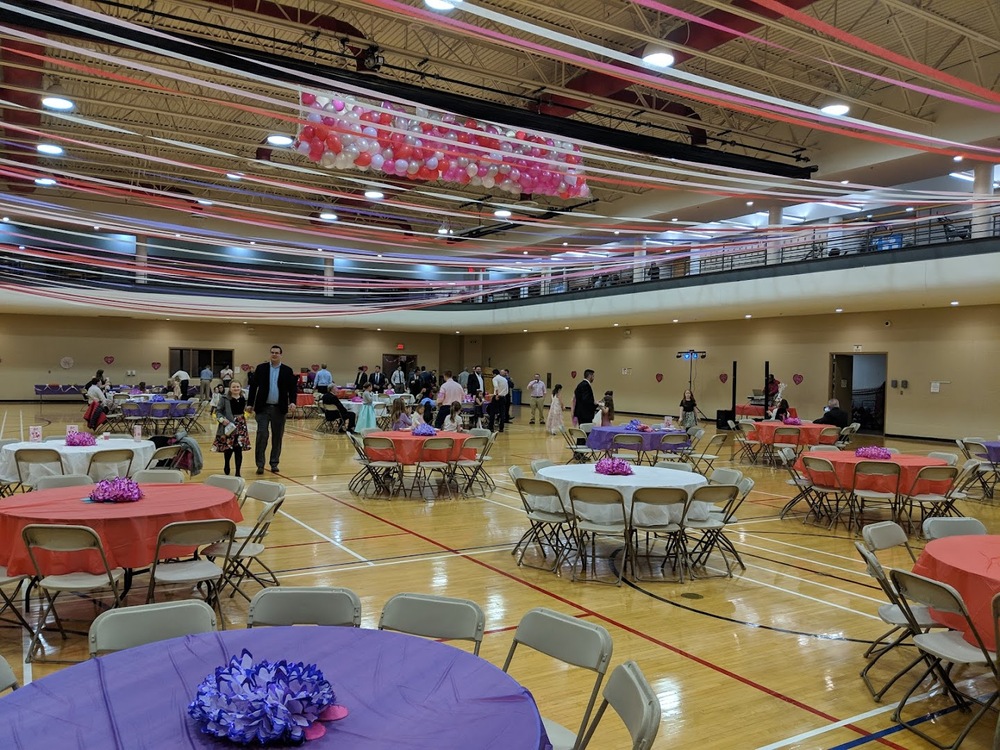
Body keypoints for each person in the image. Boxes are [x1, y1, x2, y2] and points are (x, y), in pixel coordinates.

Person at [247, 344, 297, 475]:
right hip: (262, 408)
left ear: (281, 355)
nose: (274, 354)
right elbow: (253, 387)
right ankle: (260, 464)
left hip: (279, 409)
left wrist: (292, 402)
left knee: (277, 437)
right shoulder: (261, 368)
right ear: (270, 354)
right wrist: (249, 404)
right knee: (262, 435)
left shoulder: (287, 370)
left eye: (277, 352)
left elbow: (292, 389)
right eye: (272, 352)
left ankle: (274, 463)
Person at [213, 381, 251, 476]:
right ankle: (227, 465)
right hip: (229, 425)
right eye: (234, 387)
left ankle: (238, 472)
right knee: (229, 447)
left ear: (241, 387)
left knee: (238, 448)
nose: (236, 389)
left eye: (238, 387)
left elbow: (247, 410)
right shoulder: (224, 398)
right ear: (230, 388)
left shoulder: (244, 398)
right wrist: (222, 420)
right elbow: (218, 411)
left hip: (241, 425)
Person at [488, 368, 509, 433]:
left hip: (497, 397)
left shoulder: (495, 378)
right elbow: (506, 390)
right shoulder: (504, 379)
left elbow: (496, 386)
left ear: (493, 374)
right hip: (503, 397)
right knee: (502, 413)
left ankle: (491, 427)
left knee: (492, 412)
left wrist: (496, 395)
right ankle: (501, 428)